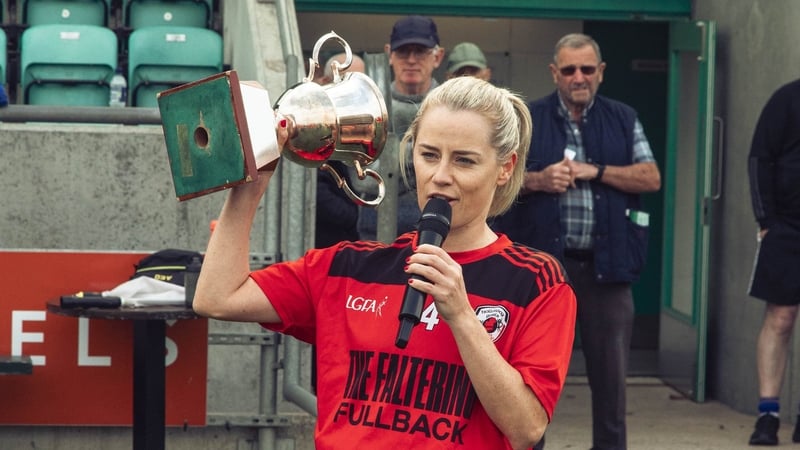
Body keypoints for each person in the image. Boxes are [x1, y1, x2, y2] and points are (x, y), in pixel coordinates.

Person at [192, 76, 577, 449]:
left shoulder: (535, 281)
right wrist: (249, 189)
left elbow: (526, 427)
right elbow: (217, 298)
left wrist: (461, 314)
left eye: (464, 161)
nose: (440, 176)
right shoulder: (349, 267)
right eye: (428, 155)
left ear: (505, 167)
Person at [492, 33, 661, 450]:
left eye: (587, 69)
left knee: (611, 387)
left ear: (601, 72)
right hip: (543, 275)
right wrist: (537, 180)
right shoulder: (528, 118)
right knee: (527, 378)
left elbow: (650, 177)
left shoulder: (623, 117)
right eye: (569, 70)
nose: (579, 77)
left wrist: (596, 171)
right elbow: (498, 184)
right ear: (555, 74)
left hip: (608, 272)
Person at [357, 15, 445, 241]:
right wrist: (423, 158)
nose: (412, 60)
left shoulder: (452, 106)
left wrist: (391, 159)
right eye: (403, 52)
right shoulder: (368, 105)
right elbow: (362, 178)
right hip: (374, 232)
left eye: (421, 52)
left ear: (438, 56)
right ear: (389, 54)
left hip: (435, 233)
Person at [746, 78, 800, 446]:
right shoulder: (787, 99)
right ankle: (768, 414)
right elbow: (759, 159)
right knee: (781, 317)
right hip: (787, 227)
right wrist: (766, 221)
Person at [313, 52, 366, 248]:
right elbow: (313, 192)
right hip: (323, 246)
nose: (355, 93)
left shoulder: (367, 120)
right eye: (345, 82)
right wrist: (358, 216)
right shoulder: (312, 122)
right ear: (325, 82)